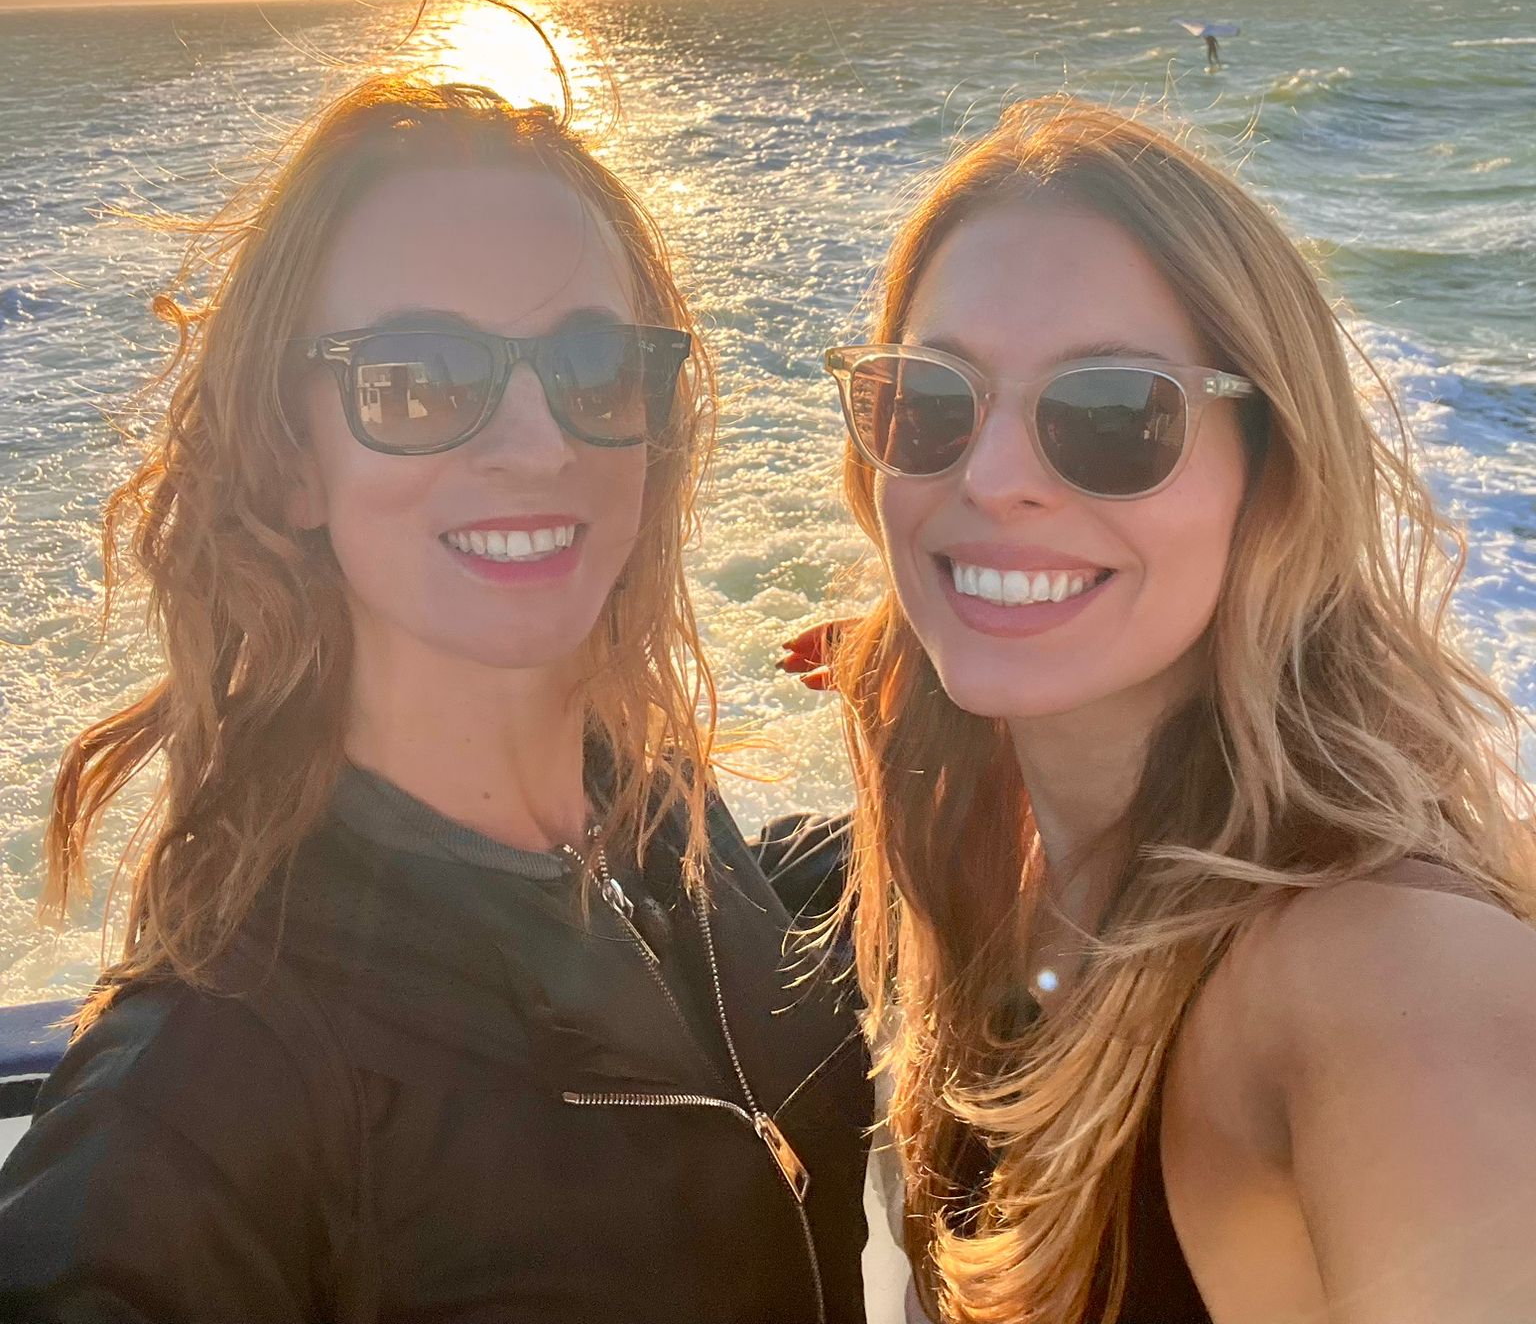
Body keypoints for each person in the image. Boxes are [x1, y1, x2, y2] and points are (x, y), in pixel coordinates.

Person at [0, 66, 871, 1322]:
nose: (536, 442)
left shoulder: (658, 823)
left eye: (592, 364)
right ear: (292, 458)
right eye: (418, 378)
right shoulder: (212, 1084)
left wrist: (982, 705)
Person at [820, 96, 1536, 1324]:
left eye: (1111, 415)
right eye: (929, 402)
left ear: (1274, 470)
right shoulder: (988, 865)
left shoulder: (1384, 982)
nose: (989, 478)